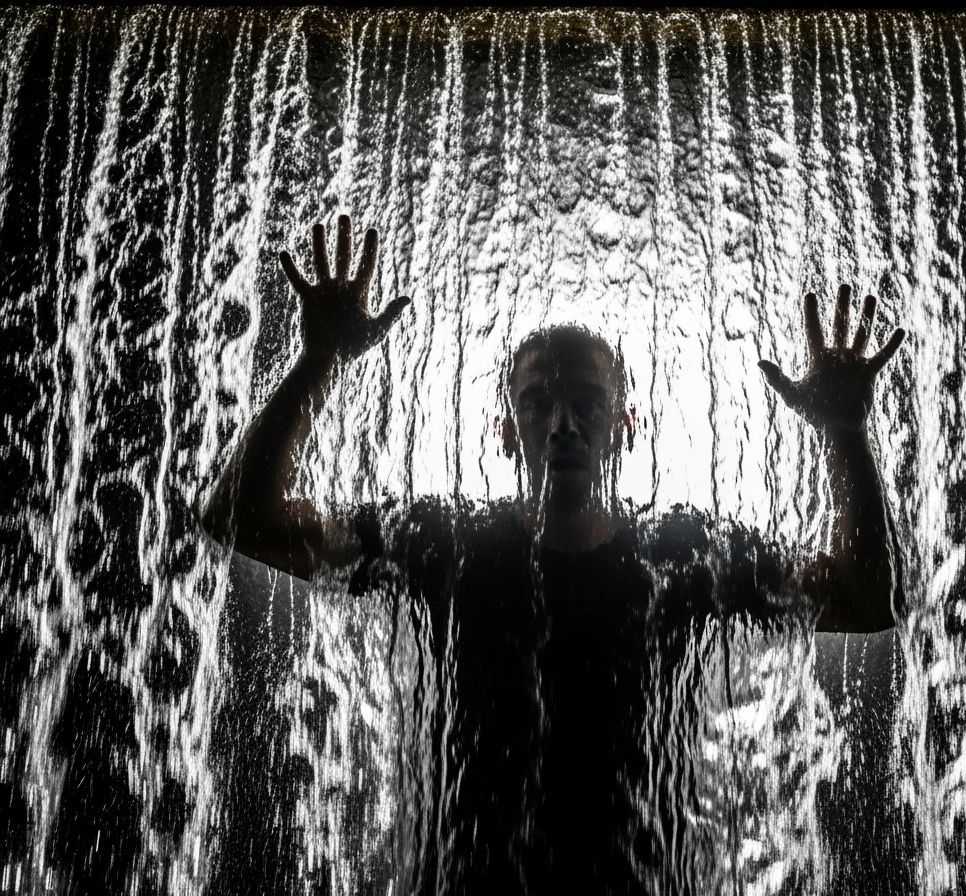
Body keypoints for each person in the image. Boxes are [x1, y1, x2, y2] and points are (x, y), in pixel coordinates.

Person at [200, 215, 906, 892]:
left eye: (588, 403)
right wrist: (318, 361)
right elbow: (242, 519)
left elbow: (870, 600)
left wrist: (844, 434)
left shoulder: (687, 558)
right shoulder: (441, 542)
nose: (564, 423)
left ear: (625, 426)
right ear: (507, 432)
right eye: (538, 402)